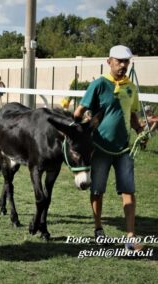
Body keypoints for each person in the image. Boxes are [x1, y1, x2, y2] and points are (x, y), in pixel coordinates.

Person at [74, 45, 144, 252]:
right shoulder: (98, 85)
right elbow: (78, 113)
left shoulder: (131, 87)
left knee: (128, 190)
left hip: (124, 150)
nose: (123, 65)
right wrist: (83, 128)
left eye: (126, 62)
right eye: (119, 61)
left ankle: (131, 237)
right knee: (97, 190)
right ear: (109, 62)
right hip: (100, 149)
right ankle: (98, 230)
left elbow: (132, 116)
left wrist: (141, 130)